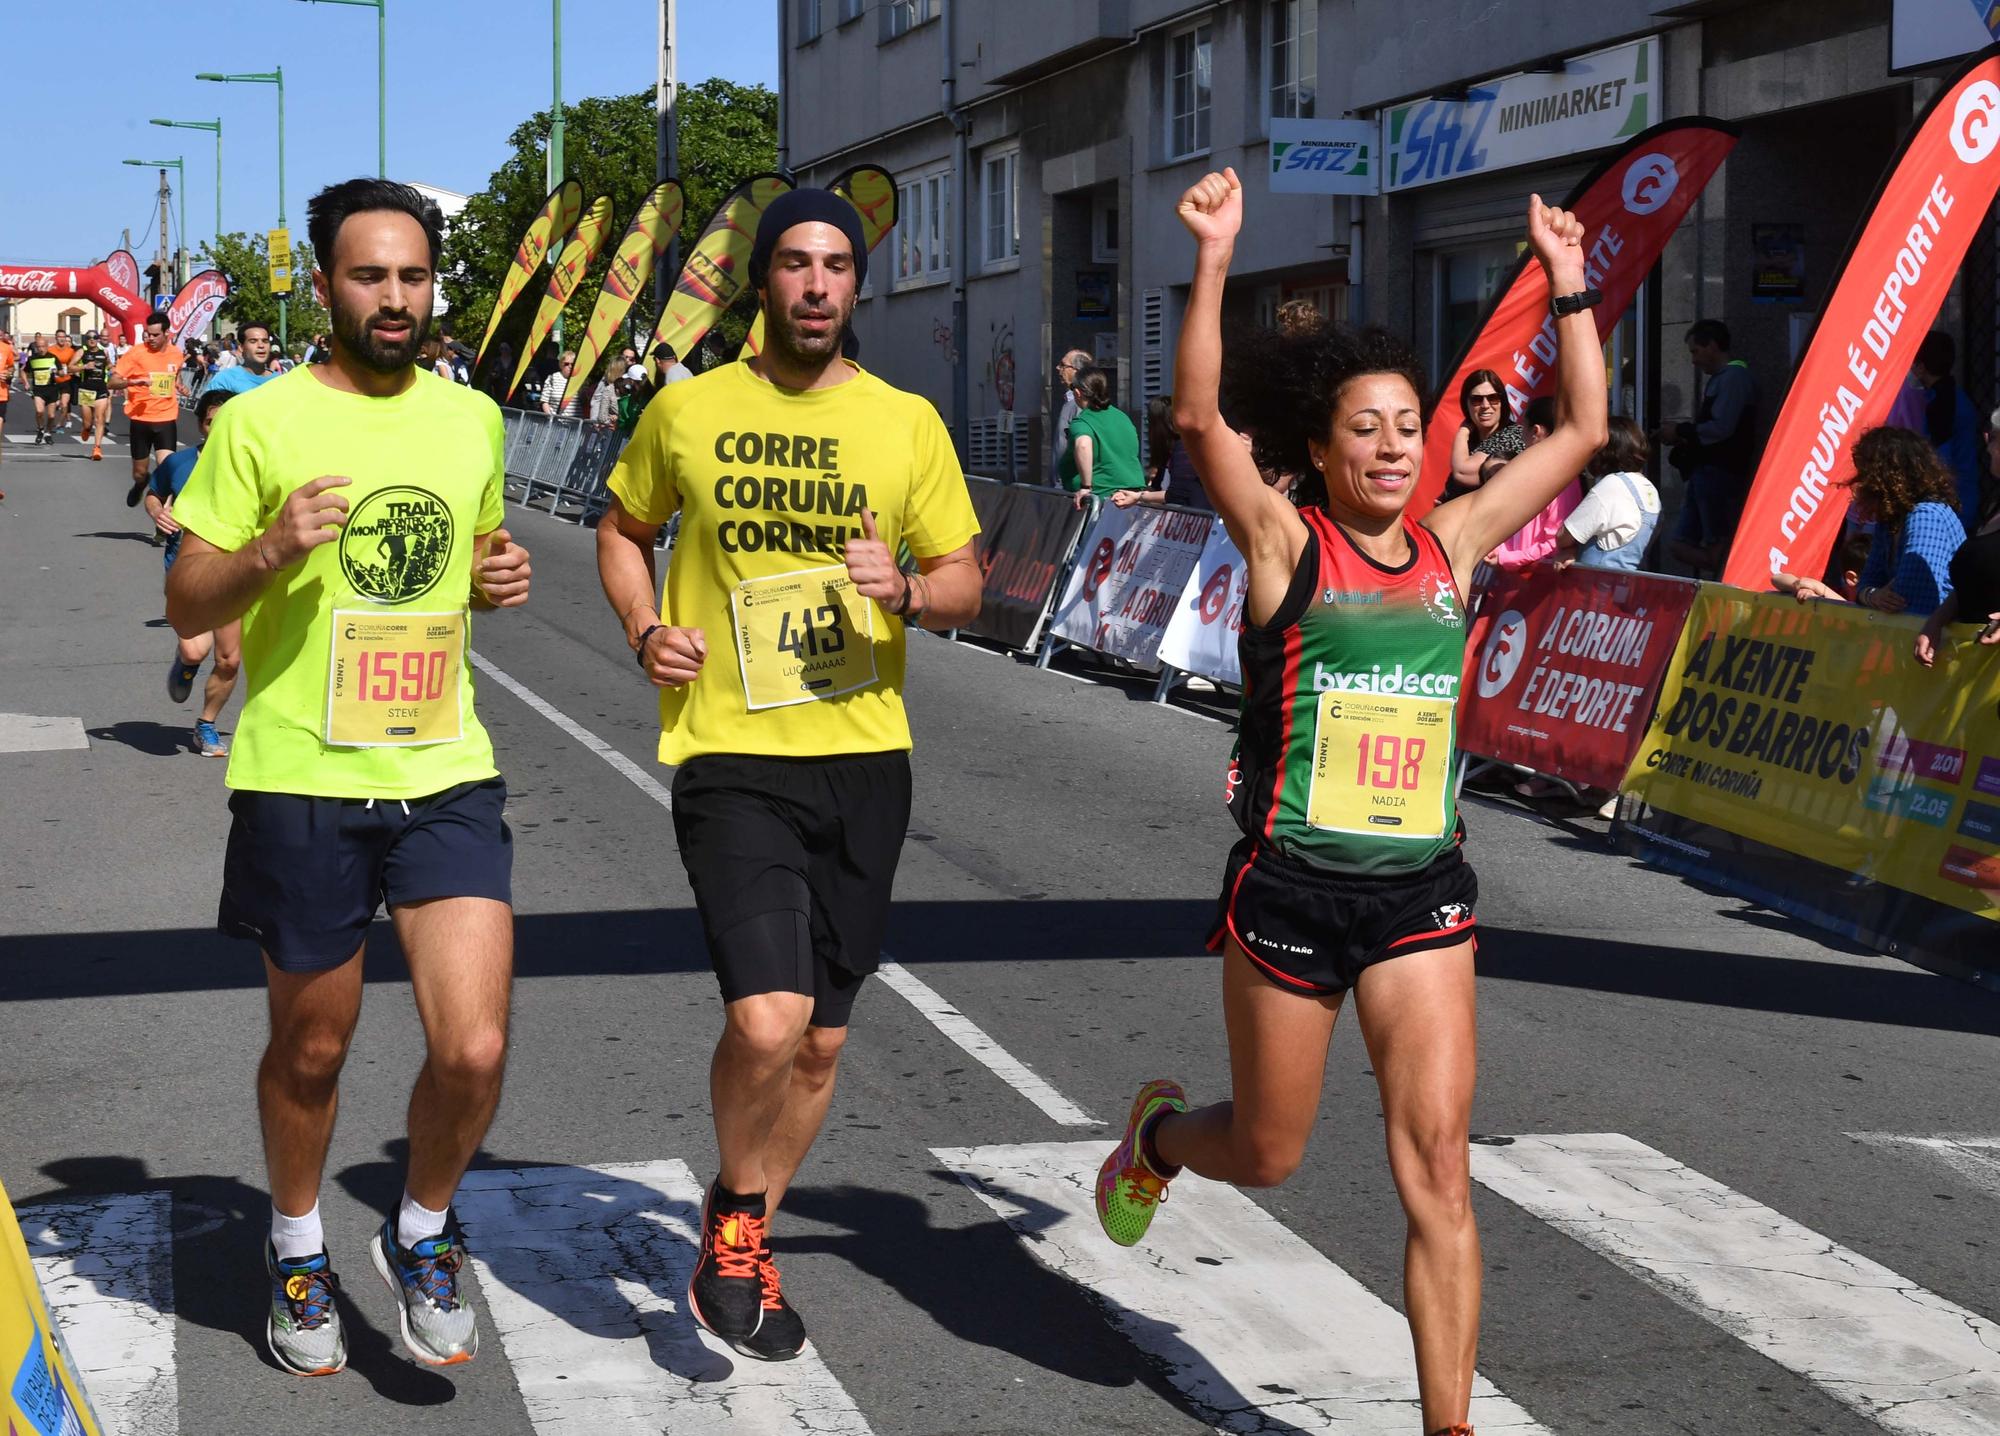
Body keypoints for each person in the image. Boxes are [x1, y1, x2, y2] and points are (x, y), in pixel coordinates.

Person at [1094, 168, 1604, 1436]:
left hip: (1421, 895)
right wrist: (1212, 257)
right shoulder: (1284, 544)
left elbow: (1584, 430)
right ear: (1319, 448)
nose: (1389, 445)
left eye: (1406, 424)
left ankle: (1448, 1425)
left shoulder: (1459, 540)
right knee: (1268, 1150)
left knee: (1436, 1166)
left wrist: (1570, 281)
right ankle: (1158, 1142)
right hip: (1289, 895)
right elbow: (1198, 410)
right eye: (1363, 427)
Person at [594, 186, 982, 1363]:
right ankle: (733, 1233)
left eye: (836, 266)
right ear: (761, 282)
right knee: (765, 1018)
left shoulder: (906, 422)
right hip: (730, 749)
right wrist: (642, 625)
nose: (816, 284)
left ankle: (742, 1214)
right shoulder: (687, 410)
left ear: (855, 286)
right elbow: (620, 526)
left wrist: (906, 589)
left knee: (820, 1039)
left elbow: (967, 581)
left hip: (864, 757)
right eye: (795, 264)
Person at [164, 177, 534, 1377]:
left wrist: (493, 580)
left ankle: (421, 1227)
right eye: (368, 276)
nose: (392, 298)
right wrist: (271, 548)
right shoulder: (259, 422)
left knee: (472, 1047)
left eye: (411, 277)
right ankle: (294, 1242)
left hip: (443, 765)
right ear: (324, 285)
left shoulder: (468, 421)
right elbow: (185, 595)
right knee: (313, 1050)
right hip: (302, 773)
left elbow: (473, 558)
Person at [1776, 426, 1965, 617]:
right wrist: (1872, 595)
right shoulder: (1890, 520)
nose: (1860, 483)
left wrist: (1873, 595)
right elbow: (1865, 584)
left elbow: (1909, 599)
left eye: (1866, 474)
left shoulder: (1926, 517)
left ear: (1887, 476)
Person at [146, 387, 242, 756]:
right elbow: (154, 493)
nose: (218, 430)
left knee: (229, 659)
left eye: (226, 423)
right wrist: (158, 513)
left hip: (236, 571)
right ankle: (184, 667)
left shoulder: (251, 463)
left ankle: (206, 725)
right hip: (188, 570)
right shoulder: (179, 463)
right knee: (193, 651)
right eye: (210, 422)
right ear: (201, 425)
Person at [1660, 319, 1758, 575]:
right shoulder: (1722, 379)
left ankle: (1727, 574)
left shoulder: (1734, 377)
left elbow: (1720, 428)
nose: (1694, 360)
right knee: (1679, 544)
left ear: (1713, 346)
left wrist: (1681, 431)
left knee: (1717, 541)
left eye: (1696, 351)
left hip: (1720, 474)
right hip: (1706, 472)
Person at [1553, 417, 1660, 571]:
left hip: (1597, 586)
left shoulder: (1611, 486)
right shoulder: (1649, 488)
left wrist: (1570, 549)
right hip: (1630, 586)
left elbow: (1565, 536)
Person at [1486, 396, 1580, 568]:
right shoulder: (1532, 474)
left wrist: (1507, 558)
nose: (1521, 438)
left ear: (1535, 431)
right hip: (1514, 585)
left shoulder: (1563, 481)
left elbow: (1554, 545)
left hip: (1539, 586)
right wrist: (1498, 550)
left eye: (1523, 429)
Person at [1909, 331, 1985, 528]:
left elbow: (1940, 458)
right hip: (1961, 498)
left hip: (1952, 505)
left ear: (1921, 367)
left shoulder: (1942, 404)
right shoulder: (1952, 397)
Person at [110, 312, 185, 505]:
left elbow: (176, 375)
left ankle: (164, 519)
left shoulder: (176, 353)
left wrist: (181, 385)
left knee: (167, 468)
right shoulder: (136, 353)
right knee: (139, 473)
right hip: (141, 420)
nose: (149, 338)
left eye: (155, 335)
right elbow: (112, 382)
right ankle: (140, 485)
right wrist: (135, 381)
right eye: (148, 334)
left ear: (167, 333)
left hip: (166, 418)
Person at [1060, 367, 1145, 509]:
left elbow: (1083, 445)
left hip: (1102, 500)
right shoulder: (1122, 417)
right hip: (1131, 495)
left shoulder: (1083, 421)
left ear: (1077, 392)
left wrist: (1086, 486)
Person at [1443, 369, 1527, 503]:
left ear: (1502, 402)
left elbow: (1462, 473)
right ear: (1466, 404)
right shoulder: (1470, 444)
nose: (1485, 405)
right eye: (1476, 400)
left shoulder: (1515, 435)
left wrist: (1463, 432)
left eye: (1493, 398)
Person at [1048, 347, 1091, 486]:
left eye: (1063, 365)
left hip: (1071, 488)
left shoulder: (1079, 405)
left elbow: (1081, 446)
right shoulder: (1069, 403)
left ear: (1077, 371)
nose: (1057, 368)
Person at [202, 321, 278, 398]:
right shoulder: (224, 380)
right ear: (241, 347)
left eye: (265, 341)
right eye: (253, 341)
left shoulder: (280, 380)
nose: (261, 345)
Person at [75, 332, 113, 461]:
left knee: (99, 419)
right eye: (89, 338)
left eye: (95, 338)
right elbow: (70, 367)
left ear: (98, 339)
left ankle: (97, 448)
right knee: (87, 423)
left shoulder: (104, 352)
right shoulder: (82, 352)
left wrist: (113, 369)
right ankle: (86, 429)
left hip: (101, 388)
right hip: (86, 389)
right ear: (86, 340)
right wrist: (84, 366)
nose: (92, 340)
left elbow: (109, 365)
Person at [25, 337, 62, 446]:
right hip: (38, 390)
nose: (41, 349)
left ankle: (48, 433)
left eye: (43, 346)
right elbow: (24, 371)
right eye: (39, 347)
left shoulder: (53, 358)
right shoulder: (32, 359)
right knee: (39, 411)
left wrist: (57, 372)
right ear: (36, 347)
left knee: (51, 416)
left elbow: (62, 373)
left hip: (52, 389)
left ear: (47, 346)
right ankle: (41, 429)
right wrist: (26, 382)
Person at [49, 332, 77, 432]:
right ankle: (50, 423)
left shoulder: (70, 351)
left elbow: (74, 364)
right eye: (59, 337)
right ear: (55, 338)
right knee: (53, 405)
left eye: (63, 337)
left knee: (64, 404)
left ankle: (60, 425)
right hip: (53, 381)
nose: (62, 339)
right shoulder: (50, 350)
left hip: (66, 380)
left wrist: (73, 370)